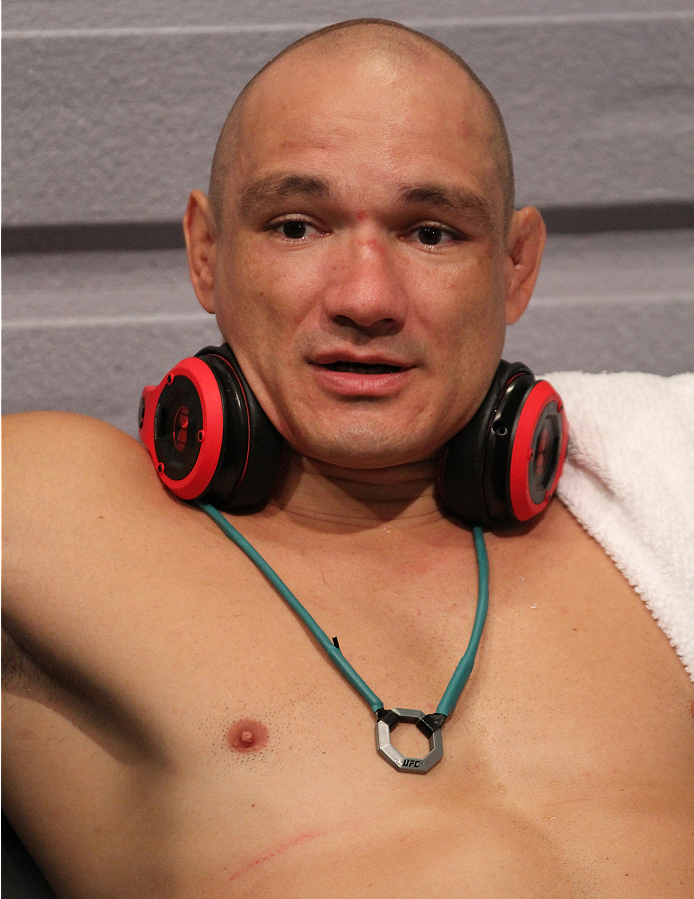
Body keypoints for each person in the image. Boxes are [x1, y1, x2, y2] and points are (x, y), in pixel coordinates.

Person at [2, 18, 692, 899]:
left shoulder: (658, 505)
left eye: (431, 233)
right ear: (206, 251)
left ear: (515, 266)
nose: (366, 297)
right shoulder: (54, 507)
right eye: (297, 226)